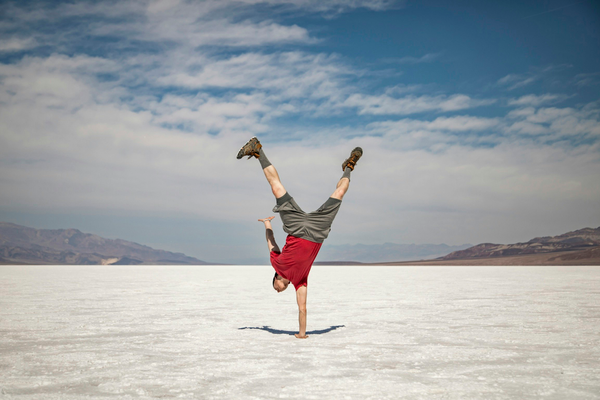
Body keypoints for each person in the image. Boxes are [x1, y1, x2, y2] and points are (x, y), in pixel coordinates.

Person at [236, 137, 362, 339]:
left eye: (276, 289)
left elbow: (272, 243)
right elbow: (302, 309)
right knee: (340, 192)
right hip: (316, 231)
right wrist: (301, 334)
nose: (278, 292)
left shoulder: (276, 264)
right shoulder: (300, 282)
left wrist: (267, 224)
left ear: (276, 280)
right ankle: (349, 166)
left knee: (276, 187)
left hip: (295, 228)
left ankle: (257, 150)